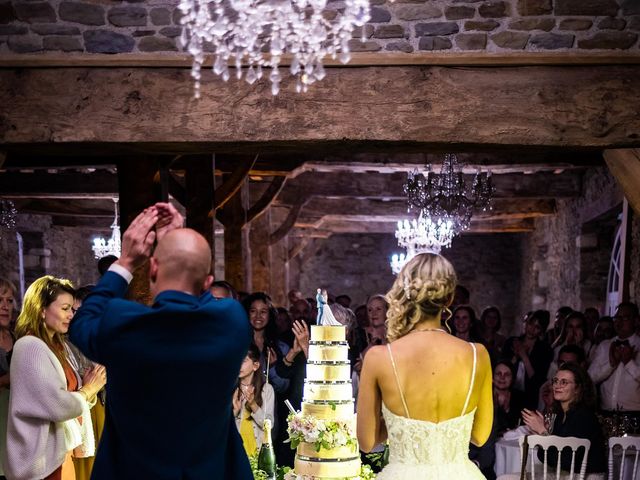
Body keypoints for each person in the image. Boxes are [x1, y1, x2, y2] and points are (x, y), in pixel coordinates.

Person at [69, 203, 253, 480]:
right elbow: (201, 298)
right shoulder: (232, 322)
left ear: (152, 268)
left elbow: (82, 323)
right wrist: (182, 249)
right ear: (207, 283)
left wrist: (125, 263)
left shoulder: (123, 323)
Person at [357, 253, 493, 479]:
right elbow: (479, 436)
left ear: (406, 295)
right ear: (449, 298)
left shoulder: (379, 357)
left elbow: (367, 442)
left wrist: (399, 424)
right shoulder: (478, 354)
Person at [3, 275, 106, 480]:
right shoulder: (30, 346)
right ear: (42, 310)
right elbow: (56, 404)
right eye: (65, 308)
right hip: (40, 462)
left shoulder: (56, 347)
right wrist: (88, 391)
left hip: (58, 455)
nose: (71, 315)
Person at [522, 363, 606, 476]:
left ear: (578, 388)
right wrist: (542, 438)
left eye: (564, 382)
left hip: (585, 476)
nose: (557, 385)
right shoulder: (560, 415)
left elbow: (567, 460)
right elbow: (547, 458)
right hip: (564, 473)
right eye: (555, 381)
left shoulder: (583, 416)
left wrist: (543, 433)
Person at [588, 301, 640, 412]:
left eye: (624, 318)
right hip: (605, 414)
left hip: (634, 415)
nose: (619, 322)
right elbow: (590, 378)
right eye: (616, 318)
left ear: (636, 321)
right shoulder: (605, 346)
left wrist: (629, 363)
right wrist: (611, 365)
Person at [502, 310, 553, 410]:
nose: (532, 329)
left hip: (530, 398)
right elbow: (503, 369)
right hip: (508, 393)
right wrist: (516, 357)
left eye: (537, 327)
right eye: (530, 324)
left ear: (542, 330)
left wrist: (524, 356)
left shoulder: (545, 349)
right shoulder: (511, 342)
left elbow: (537, 381)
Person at [233, 344, 275, 457]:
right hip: (236, 451)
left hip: (257, 450)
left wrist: (253, 404)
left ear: (255, 365)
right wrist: (235, 412)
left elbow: (269, 425)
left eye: (244, 361)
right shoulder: (230, 389)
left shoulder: (266, 389)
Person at [0, 278, 17, 480]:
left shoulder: (19, 338)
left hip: (18, 440)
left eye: (9, 300)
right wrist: (7, 379)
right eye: (0, 300)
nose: (5, 307)